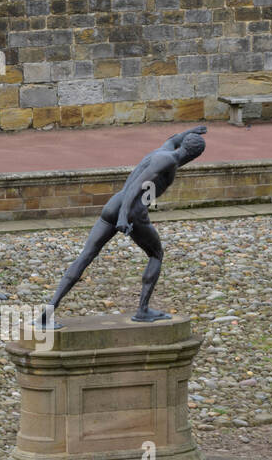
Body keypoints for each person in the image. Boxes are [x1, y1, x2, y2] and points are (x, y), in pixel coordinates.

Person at [43, 124, 206, 324]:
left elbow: (173, 139)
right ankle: (143, 310)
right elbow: (137, 187)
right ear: (194, 157)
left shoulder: (163, 151)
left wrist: (190, 131)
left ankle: (50, 308)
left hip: (113, 204)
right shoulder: (168, 162)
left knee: (86, 255)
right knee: (156, 254)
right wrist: (123, 216)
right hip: (132, 211)